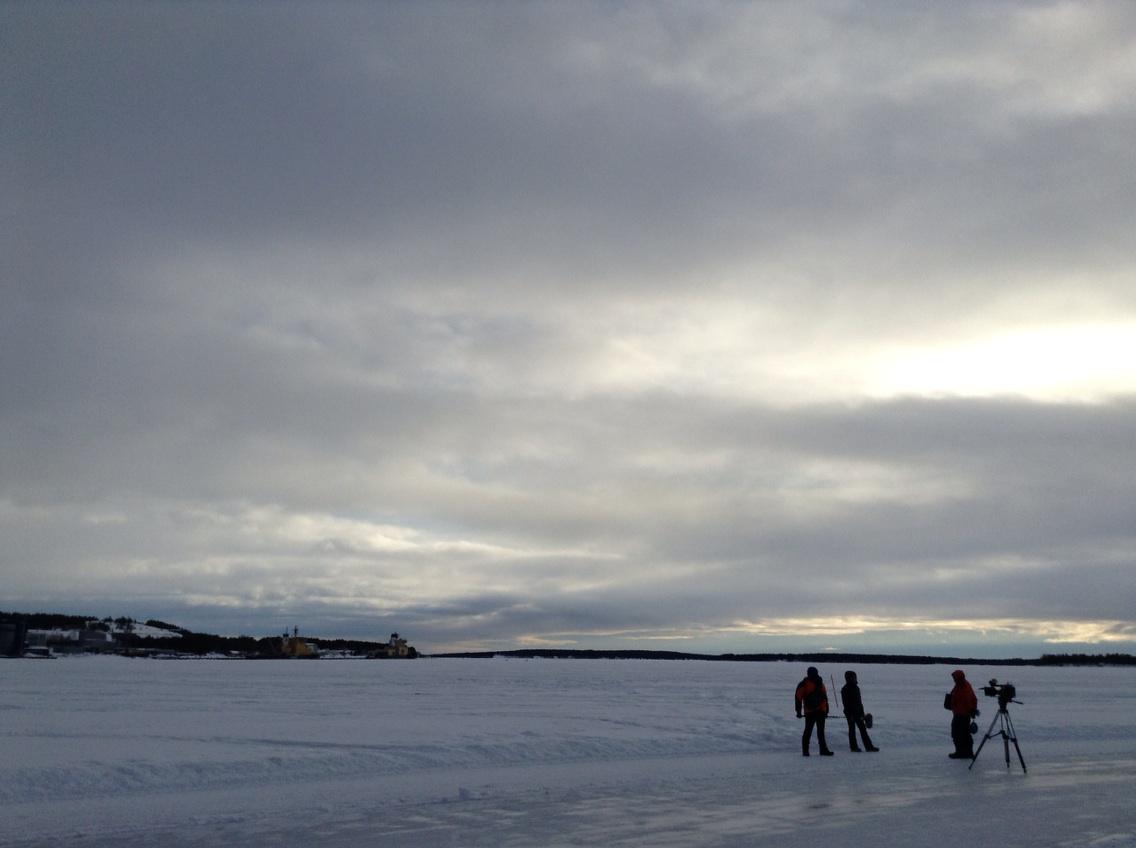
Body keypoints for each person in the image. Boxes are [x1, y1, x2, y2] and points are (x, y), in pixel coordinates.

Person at [794, 666, 834, 756]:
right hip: (814, 711)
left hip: (813, 711)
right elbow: (798, 698)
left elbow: (798, 698)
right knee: (814, 731)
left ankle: (809, 751)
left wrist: (798, 712)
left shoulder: (805, 683)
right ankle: (818, 750)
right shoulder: (812, 683)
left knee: (812, 731)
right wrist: (798, 711)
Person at [840, 670, 879, 752]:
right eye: (853, 677)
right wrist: (850, 715)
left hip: (858, 713)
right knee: (852, 730)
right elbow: (846, 704)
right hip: (850, 714)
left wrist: (862, 712)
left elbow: (859, 702)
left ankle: (869, 747)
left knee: (863, 730)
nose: (854, 678)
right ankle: (853, 747)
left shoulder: (856, 688)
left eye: (854, 677)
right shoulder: (845, 689)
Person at [945, 669, 978, 759]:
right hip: (959, 713)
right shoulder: (960, 685)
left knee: (960, 734)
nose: (954, 680)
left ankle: (963, 752)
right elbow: (973, 698)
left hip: (962, 715)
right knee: (961, 734)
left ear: (959, 678)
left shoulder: (964, 687)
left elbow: (970, 700)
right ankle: (965, 752)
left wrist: (972, 710)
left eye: (954, 678)